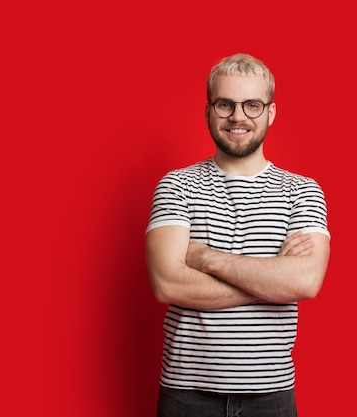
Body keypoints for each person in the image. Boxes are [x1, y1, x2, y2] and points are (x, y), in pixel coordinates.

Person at [145, 53, 331, 417]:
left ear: (270, 113)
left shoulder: (302, 191)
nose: (238, 116)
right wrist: (273, 278)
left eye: (252, 105)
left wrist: (204, 259)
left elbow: (306, 282)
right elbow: (167, 284)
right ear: (208, 112)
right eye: (225, 104)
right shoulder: (177, 185)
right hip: (186, 395)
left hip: (271, 396)